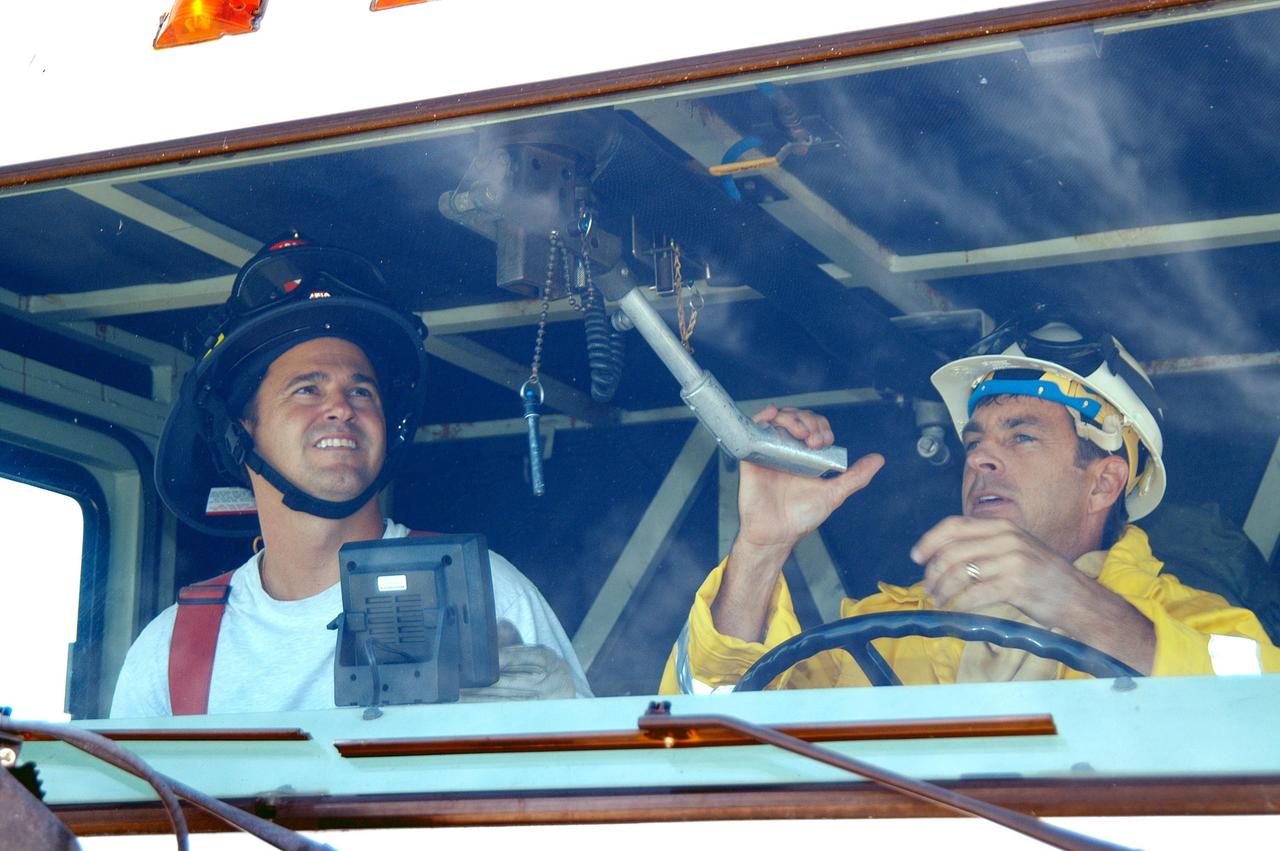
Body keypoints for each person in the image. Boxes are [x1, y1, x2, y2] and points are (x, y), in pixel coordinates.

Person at [661, 314, 1280, 693]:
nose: (981, 459)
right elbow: (708, 742)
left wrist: (1072, 601)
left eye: (1022, 436)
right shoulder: (879, 633)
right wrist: (761, 549)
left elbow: (1259, 726)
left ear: (1104, 482)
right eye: (975, 441)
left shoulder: (1204, 630)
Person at [111, 233, 590, 717]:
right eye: (307, 390)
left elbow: (599, 765)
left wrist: (561, 730)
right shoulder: (168, 651)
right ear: (242, 431)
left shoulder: (486, 592)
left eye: (362, 392)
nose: (341, 408)